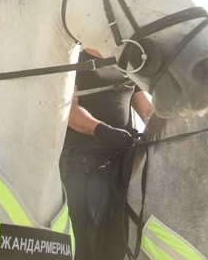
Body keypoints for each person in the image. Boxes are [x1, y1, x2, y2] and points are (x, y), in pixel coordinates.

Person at [59, 48, 152, 259]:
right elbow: (70, 111)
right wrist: (104, 131)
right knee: (80, 229)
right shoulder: (75, 60)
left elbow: (147, 110)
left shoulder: (125, 65)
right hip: (85, 158)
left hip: (126, 156)